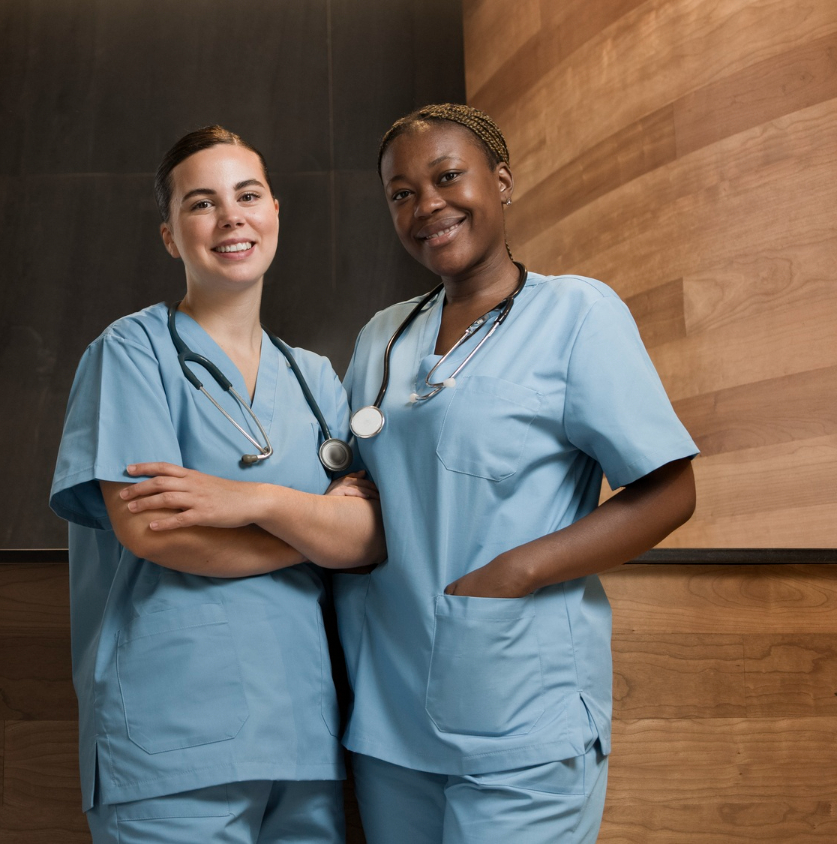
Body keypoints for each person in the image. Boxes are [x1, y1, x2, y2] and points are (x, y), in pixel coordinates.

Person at [121, 104, 698, 843]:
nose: (428, 205)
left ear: (502, 180)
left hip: (519, 706)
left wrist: (517, 572)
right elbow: (353, 505)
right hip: (389, 722)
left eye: (448, 177)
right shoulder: (383, 337)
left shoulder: (577, 314)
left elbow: (668, 488)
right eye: (402, 192)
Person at [49, 125, 385, 844]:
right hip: (171, 739)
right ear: (171, 236)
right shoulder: (133, 351)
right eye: (201, 203)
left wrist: (255, 501)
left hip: (301, 739)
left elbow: (368, 536)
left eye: (248, 195)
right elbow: (153, 530)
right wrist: (312, 532)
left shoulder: (316, 378)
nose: (231, 216)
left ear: (274, 213)